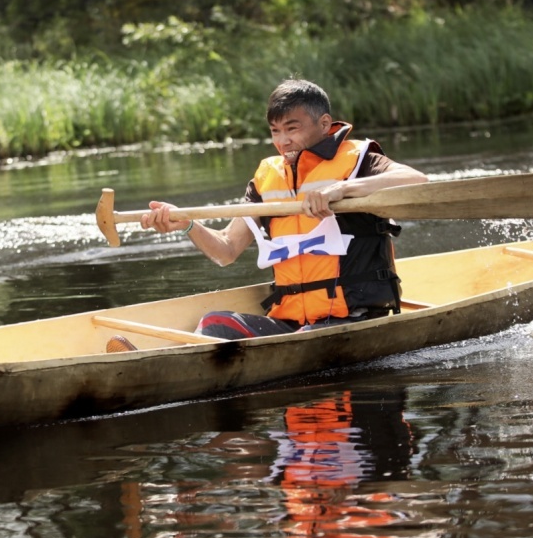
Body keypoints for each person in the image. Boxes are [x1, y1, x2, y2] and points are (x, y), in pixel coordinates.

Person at [112, 79, 427, 350]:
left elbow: (417, 181)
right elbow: (226, 250)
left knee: (306, 338)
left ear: (323, 123)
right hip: (291, 323)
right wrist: (189, 225)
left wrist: (342, 190)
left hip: (353, 318)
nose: (282, 141)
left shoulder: (360, 159)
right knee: (216, 322)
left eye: (292, 128)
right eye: (275, 131)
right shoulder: (266, 177)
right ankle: (163, 365)